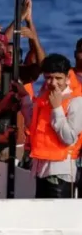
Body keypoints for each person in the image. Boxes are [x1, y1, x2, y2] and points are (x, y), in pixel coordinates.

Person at [17, 54, 82, 199]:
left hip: (61, 172)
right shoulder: (44, 97)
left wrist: (56, 109)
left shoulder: (76, 102)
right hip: (41, 169)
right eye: (48, 78)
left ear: (67, 77)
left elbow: (69, 138)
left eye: (58, 78)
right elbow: (32, 125)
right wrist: (25, 98)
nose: (53, 83)